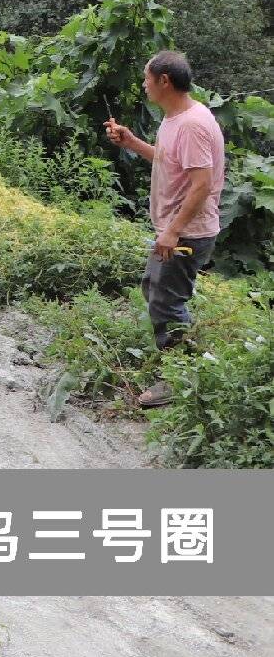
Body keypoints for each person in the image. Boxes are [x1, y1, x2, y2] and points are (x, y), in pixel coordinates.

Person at [104, 50, 225, 408]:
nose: (143, 84)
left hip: (186, 232)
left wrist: (172, 231)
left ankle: (180, 376)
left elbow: (201, 185)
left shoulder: (192, 124)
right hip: (175, 228)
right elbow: (170, 160)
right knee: (156, 291)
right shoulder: (177, 117)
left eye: (146, 78)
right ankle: (182, 356)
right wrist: (131, 142)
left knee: (167, 301)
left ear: (164, 81)